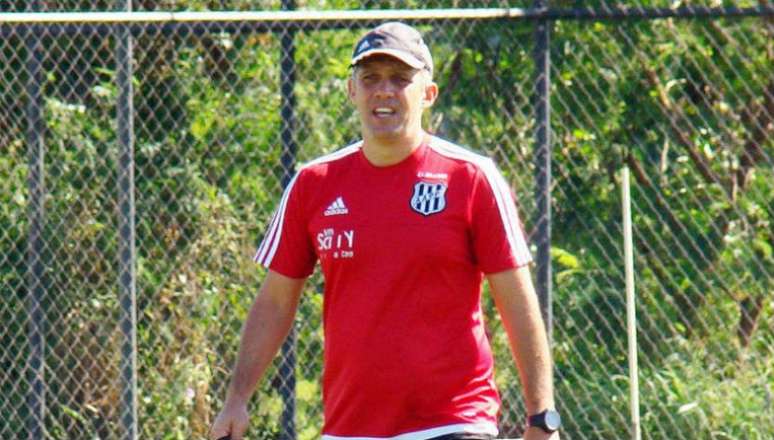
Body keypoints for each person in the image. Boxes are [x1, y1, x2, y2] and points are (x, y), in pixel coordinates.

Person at [210, 22, 560, 440]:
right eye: (370, 78)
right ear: (351, 91)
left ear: (428, 94)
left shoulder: (471, 178)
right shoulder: (313, 183)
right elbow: (274, 301)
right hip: (349, 430)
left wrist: (542, 417)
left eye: (400, 79)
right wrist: (236, 398)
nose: (384, 91)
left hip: (454, 423)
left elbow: (516, 300)